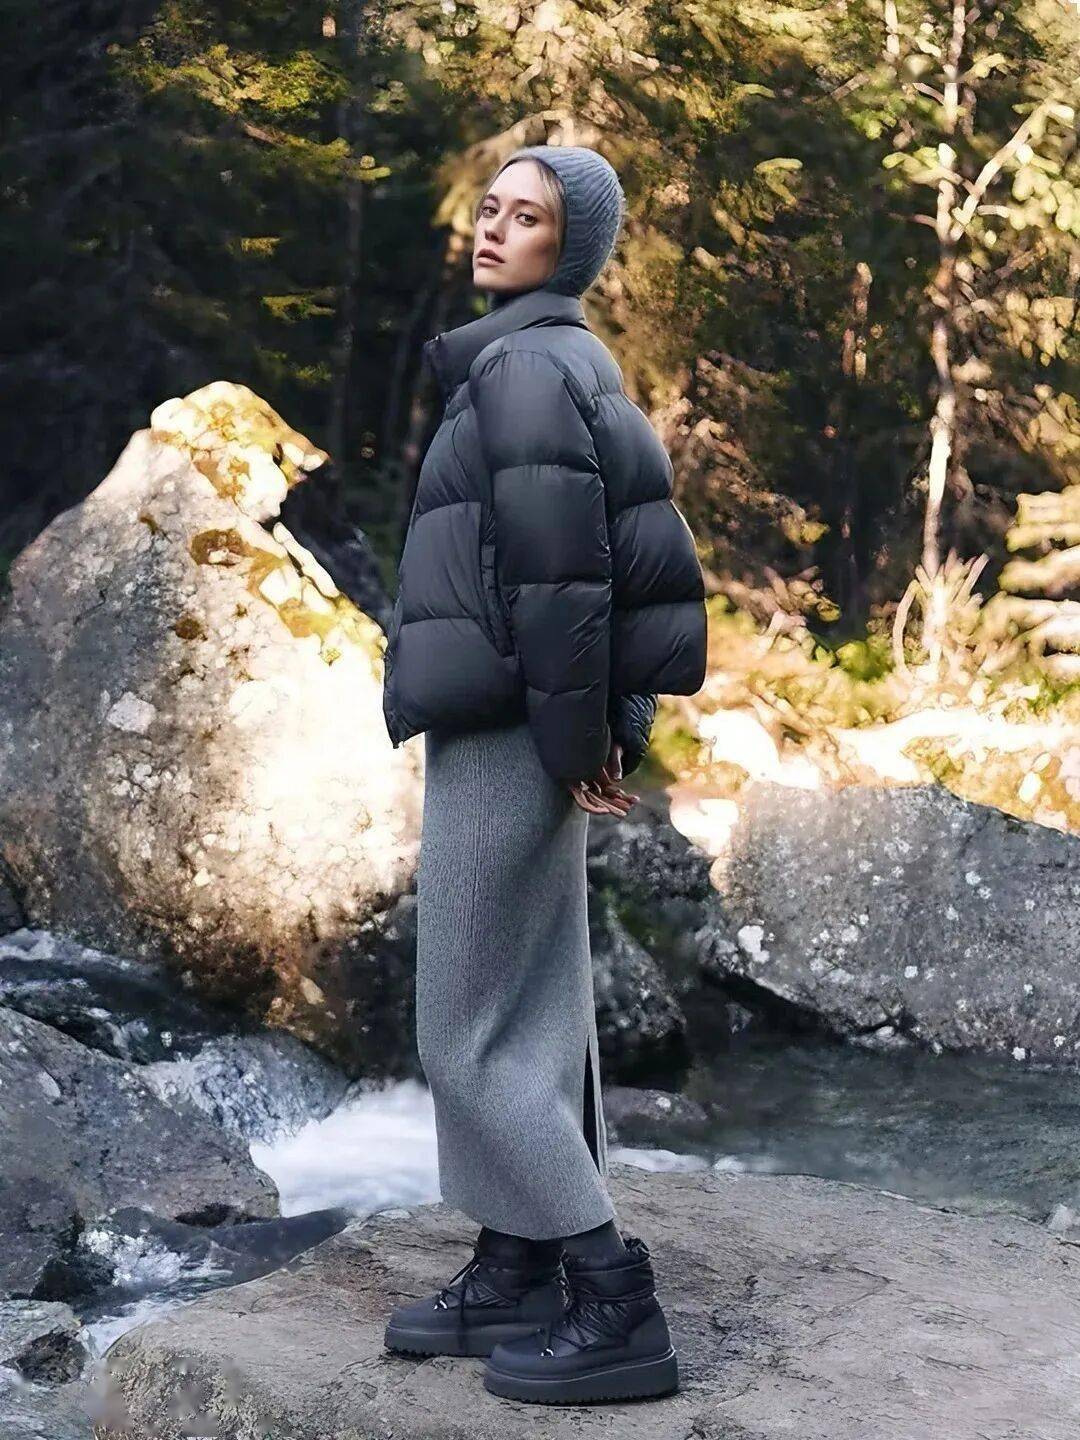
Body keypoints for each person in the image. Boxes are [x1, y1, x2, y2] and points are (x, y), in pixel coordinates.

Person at [380, 143, 707, 1405]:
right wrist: (607, 720)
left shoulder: (522, 366)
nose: (494, 229)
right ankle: (517, 1259)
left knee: (465, 1030)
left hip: (511, 728)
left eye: (526, 218)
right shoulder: (564, 358)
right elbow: (613, 559)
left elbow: (564, 582)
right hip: (528, 721)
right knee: (532, 1008)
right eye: (492, 207)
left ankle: (613, 1297)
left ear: (566, 252)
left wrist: (579, 741)